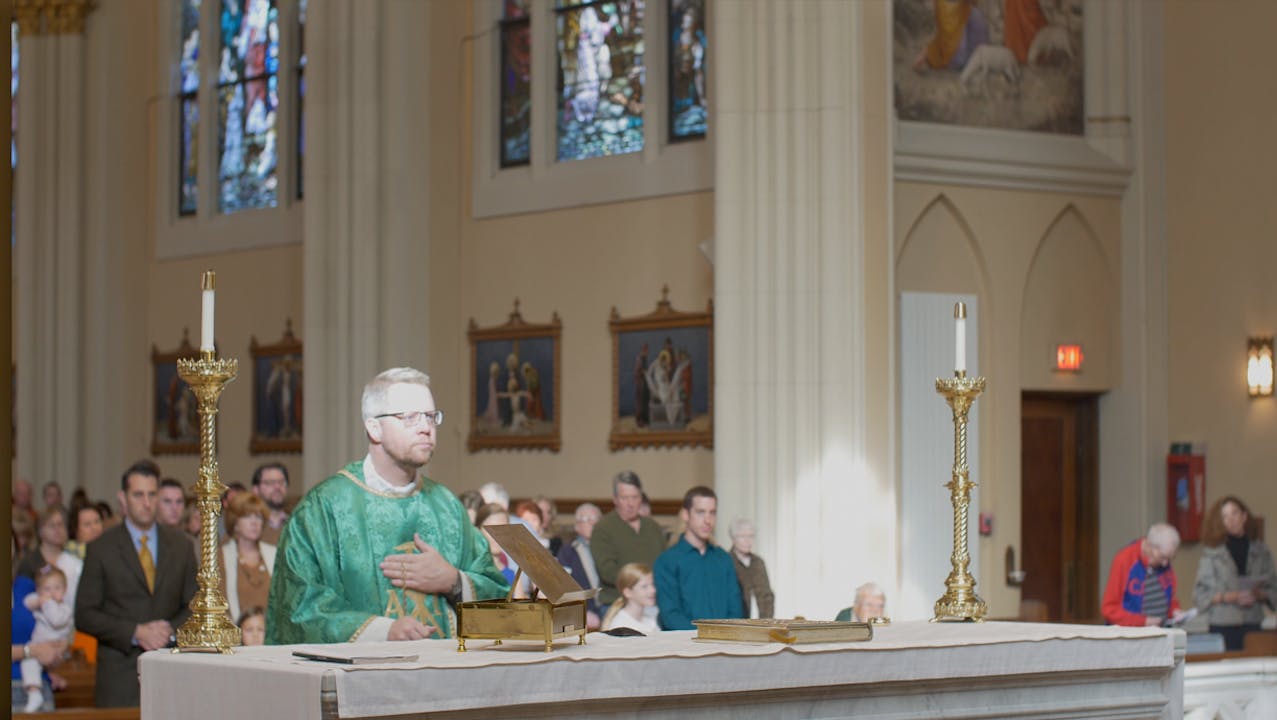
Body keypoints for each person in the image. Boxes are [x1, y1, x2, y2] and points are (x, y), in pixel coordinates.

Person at [266, 367, 508, 644]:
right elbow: (298, 608)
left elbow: (499, 596)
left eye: (431, 416)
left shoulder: (447, 507)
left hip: (444, 679)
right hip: (360, 681)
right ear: (374, 428)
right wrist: (384, 631)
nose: (425, 427)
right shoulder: (324, 509)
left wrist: (454, 581)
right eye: (409, 417)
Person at [75, 459, 199, 707]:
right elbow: (85, 614)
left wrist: (168, 630)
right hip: (120, 675)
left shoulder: (180, 545)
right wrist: (136, 632)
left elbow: (194, 604)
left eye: (152, 495)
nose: (146, 502)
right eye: (138, 494)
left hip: (171, 668)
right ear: (123, 498)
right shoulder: (102, 548)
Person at [1193, 496, 1277, 651]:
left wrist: (1259, 595)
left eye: (1234, 514)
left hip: (1252, 621)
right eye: (1225, 516)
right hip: (1223, 623)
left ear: (1244, 516)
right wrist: (1229, 596)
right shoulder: (1212, 554)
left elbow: (1273, 589)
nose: (1230, 520)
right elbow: (1200, 595)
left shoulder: (1261, 551)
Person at [654, 486, 744, 630]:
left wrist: (725, 636)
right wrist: (705, 636)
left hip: (726, 644)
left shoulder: (723, 558)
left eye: (712, 513)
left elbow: (736, 609)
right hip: (684, 646)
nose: (708, 520)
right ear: (685, 514)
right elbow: (670, 615)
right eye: (700, 512)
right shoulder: (666, 561)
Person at [592, 471, 668, 608]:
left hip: (653, 600)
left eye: (635, 497)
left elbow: (664, 563)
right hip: (618, 603)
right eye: (625, 498)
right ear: (615, 499)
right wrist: (640, 586)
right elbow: (607, 572)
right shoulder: (603, 528)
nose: (630, 504)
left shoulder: (653, 527)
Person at [1101, 523, 1183, 627]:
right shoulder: (1124, 560)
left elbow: (1170, 598)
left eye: (1170, 558)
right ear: (1149, 546)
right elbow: (1109, 609)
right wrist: (1143, 621)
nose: (1165, 564)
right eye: (1162, 557)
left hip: (1161, 633)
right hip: (1130, 635)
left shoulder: (1164, 564)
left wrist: (1175, 611)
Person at [19, 567, 73, 712]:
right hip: (36, 647)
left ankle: (35, 692)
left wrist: (47, 603)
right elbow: (27, 602)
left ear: (65, 590)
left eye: (57, 588)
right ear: (39, 590)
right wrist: (38, 600)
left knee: (32, 661)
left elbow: (55, 620)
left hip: (54, 647)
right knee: (28, 662)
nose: (52, 593)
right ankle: (34, 692)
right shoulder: (40, 601)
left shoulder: (64, 609)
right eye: (47, 588)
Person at [219, 493, 277, 621]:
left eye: (259, 517)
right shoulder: (221, 557)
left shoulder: (273, 554)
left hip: (271, 635)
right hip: (234, 635)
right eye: (247, 516)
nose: (254, 522)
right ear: (235, 523)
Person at [15, 508, 83, 615]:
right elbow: (23, 601)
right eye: (52, 525)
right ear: (40, 531)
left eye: (60, 524)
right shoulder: (29, 562)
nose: (58, 529)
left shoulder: (74, 561)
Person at [558, 502, 603, 622]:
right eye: (586, 519)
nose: (592, 523)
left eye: (595, 519)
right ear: (577, 526)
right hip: (583, 609)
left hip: (609, 605)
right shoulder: (568, 551)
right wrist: (582, 612)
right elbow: (564, 588)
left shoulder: (610, 548)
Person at [727, 517, 774, 618]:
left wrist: (768, 621)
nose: (748, 541)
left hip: (762, 622)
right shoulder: (726, 561)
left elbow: (767, 595)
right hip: (737, 623)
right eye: (742, 536)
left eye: (751, 536)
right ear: (733, 538)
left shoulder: (759, 562)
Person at [600, 562, 660, 634]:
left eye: (652, 584)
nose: (653, 590)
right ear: (628, 593)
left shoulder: (653, 613)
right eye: (644, 587)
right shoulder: (621, 626)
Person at [251, 463, 291, 545]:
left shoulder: (296, 524)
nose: (277, 487)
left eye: (281, 482)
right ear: (256, 490)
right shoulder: (247, 526)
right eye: (270, 482)